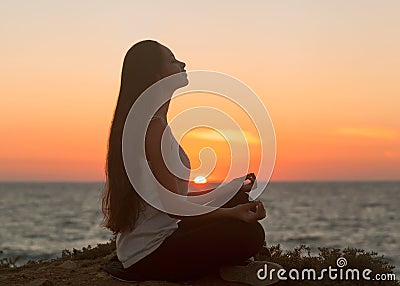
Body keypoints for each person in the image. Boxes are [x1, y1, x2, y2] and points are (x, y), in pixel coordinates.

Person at [102, 40, 279, 285]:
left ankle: (229, 267)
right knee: (248, 233)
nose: (182, 63)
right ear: (157, 76)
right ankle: (225, 270)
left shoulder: (156, 123)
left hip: (154, 242)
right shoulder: (153, 129)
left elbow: (176, 198)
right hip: (150, 254)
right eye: (173, 60)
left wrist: (228, 189)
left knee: (238, 200)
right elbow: (175, 209)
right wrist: (231, 213)